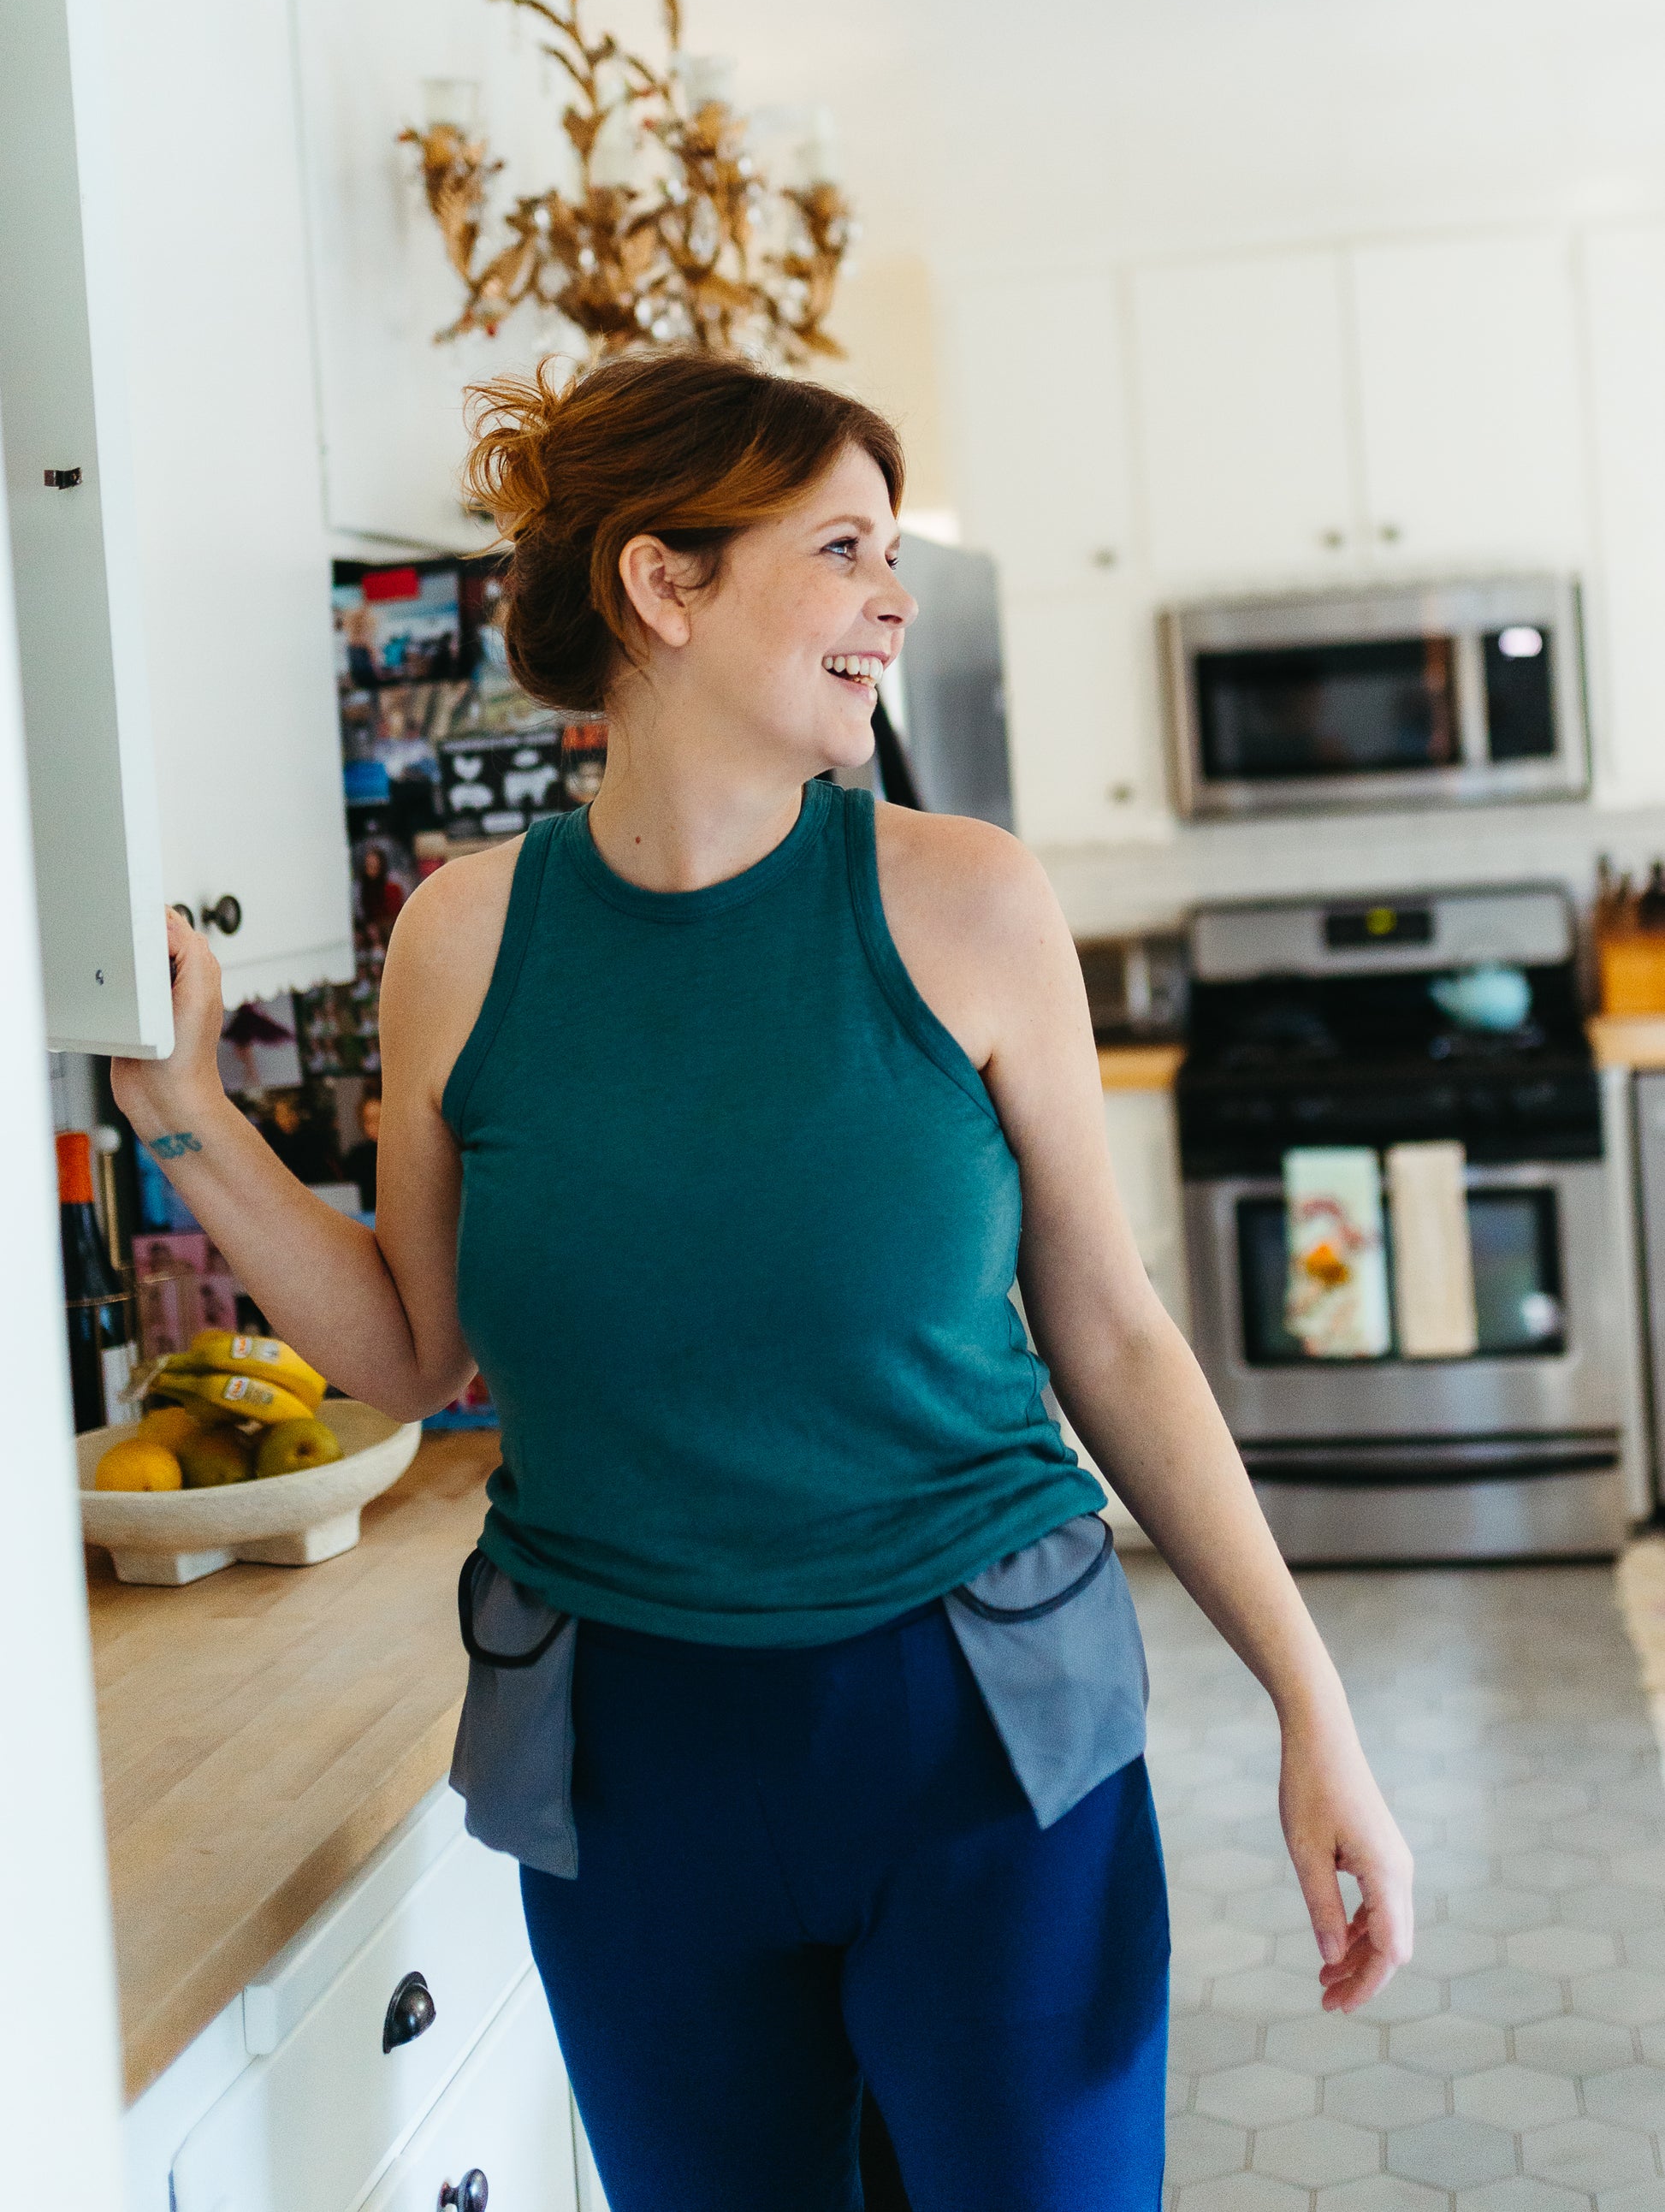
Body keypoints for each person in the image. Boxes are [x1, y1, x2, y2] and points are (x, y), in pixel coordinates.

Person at [113, 350, 1411, 2212]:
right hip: (630, 1768)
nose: (892, 597)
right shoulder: (463, 936)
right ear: (665, 584)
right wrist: (178, 1105)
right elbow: (411, 1347)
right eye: (844, 547)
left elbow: (1113, 1332)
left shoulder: (963, 900)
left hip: (977, 1740)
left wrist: (1313, 1706)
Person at [341, 1087, 381, 1215]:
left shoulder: (404, 1155)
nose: (376, 1126)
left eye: (380, 1118)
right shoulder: (356, 1157)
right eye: (369, 1121)